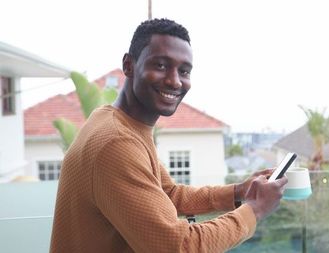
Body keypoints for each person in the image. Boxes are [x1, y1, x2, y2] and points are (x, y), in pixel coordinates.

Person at [50, 18, 288, 253]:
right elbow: (179, 247)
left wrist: (239, 192)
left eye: (184, 71)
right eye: (161, 65)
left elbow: (168, 194)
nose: (175, 81)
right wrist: (255, 209)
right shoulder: (117, 142)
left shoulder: (117, 123)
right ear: (129, 65)